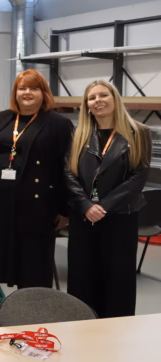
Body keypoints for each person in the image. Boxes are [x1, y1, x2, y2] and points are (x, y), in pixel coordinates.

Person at [0, 69, 73, 289]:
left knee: (33, 266)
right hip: (0, 205)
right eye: (22, 88)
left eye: (34, 88)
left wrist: (65, 209)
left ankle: (33, 313)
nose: (27, 92)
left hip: (37, 207)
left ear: (44, 93)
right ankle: (16, 310)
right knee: (7, 262)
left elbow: (67, 168)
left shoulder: (58, 123)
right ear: (15, 92)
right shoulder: (4, 117)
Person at [64, 80, 150, 318]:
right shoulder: (78, 133)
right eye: (92, 97)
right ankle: (83, 327)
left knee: (117, 279)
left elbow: (138, 176)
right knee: (82, 277)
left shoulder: (138, 132)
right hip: (83, 217)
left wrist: (103, 206)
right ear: (87, 104)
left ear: (115, 99)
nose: (98, 101)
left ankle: (117, 335)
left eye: (103, 95)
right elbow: (68, 173)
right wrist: (85, 205)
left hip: (120, 217)